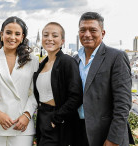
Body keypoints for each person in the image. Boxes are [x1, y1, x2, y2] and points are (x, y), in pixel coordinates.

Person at [74, 12, 135, 146]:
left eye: (93, 30)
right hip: (79, 131)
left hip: (105, 134)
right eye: (82, 30)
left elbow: (123, 103)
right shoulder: (75, 59)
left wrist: (113, 139)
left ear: (103, 33)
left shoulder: (116, 57)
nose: (87, 34)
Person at [0, 16, 39, 146]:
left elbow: (35, 92)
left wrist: (27, 115)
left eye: (17, 34)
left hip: (21, 125)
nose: (12, 37)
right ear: (1, 34)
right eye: (8, 32)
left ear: (22, 37)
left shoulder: (32, 60)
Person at [33, 22, 83, 146]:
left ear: (62, 41)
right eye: (46, 35)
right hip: (43, 118)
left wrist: (57, 118)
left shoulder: (67, 61)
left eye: (54, 36)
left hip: (58, 120)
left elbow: (76, 96)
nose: (49, 38)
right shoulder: (43, 63)